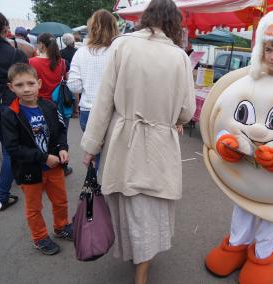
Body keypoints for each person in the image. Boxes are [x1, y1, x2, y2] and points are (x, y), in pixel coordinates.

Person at [80, 0, 195, 282]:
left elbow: (104, 102)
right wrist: (174, 121)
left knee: (129, 204)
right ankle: (142, 269)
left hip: (124, 140)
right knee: (152, 207)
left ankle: (136, 258)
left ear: (146, 18)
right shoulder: (179, 56)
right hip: (160, 144)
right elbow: (187, 111)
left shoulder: (122, 46)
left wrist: (91, 147)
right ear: (173, 23)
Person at [205, 10, 273, 284]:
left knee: (270, 219)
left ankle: (261, 258)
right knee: (242, 211)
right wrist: (225, 143)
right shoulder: (250, 82)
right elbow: (226, 120)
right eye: (268, 49)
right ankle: (236, 246)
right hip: (247, 172)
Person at [1, 63, 73, 255]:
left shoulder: (49, 106)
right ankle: (40, 237)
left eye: (30, 83)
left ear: (39, 84)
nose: (26, 89)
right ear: (11, 87)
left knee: (61, 201)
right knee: (34, 208)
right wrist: (43, 157)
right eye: (19, 85)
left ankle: (61, 226)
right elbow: (12, 148)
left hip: (54, 168)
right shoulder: (10, 114)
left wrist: (62, 148)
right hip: (29, 171)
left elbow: (60, 131)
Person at [67, 9, 119, 134]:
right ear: (114, 27)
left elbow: (75, 87)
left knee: (92, 152)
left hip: (89, 111)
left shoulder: (80, 53)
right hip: (114, 111)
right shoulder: (119, 51)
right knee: (114, 153)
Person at [29, 33, 73, 176]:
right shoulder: (62, 62)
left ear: (41, 44)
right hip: (59, 105)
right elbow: (65, 80)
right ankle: (63, 164)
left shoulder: (33, 62)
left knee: (41, 137)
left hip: (40, 105)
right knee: (61, 134)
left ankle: (42, 167)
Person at [0, 13, 27, 211]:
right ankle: (1, 196)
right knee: (9, 151)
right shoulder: (14, 52)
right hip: (7, 105)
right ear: (6, 27)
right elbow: (25, 78)